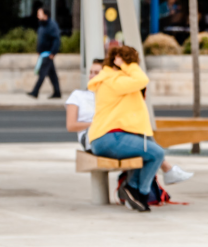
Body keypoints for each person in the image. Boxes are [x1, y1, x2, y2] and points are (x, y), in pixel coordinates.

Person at [66, 58, 193, 187]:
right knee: (141, 141)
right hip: (92, 136)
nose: (92, 76)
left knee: (139, 133)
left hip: (112, 133)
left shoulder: (112, 92)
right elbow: (71, 126)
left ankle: (139, 186)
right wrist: (99, 122)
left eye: (97, 72)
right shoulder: (79, 95)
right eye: (91, 72)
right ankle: (166, 170)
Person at [87, 46, 166, 212]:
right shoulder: (113, 80)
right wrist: (128, 64)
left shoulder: (115, 79)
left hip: (110, 137)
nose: (134, 65)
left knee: (147, 153)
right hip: (109, 137)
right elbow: (142, 79)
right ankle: (138, 191)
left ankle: (134, 190)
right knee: (156, 153)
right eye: (132, 62)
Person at [28, 6, 62, 99]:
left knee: (42, 73)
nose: (38, 15)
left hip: (48, 54)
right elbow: (41, 40)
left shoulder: (52, 25)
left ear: (45, 15)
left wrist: (53, 53)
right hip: (43, 54)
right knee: (52, 75)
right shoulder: (42, 25)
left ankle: (35, 92)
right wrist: (38, 51)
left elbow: (56, 40)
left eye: (40, 13)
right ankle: (57, 92)